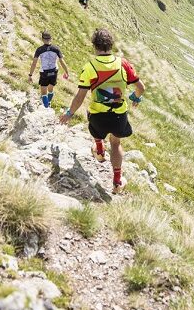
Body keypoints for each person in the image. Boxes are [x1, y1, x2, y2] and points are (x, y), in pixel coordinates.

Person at [61, 28, 146, 194]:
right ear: (111, 45)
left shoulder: (90, 67)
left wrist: (69, 114)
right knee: (116, 143)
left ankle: (99, 150)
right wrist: (135, 98)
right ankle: (117, 182)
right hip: (119, 115)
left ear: (94, 46)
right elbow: (141, 88)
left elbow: (80, 96)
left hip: (98, 116)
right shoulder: (123, 64)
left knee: (92, 117)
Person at [27, 31, 70, 108]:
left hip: (44, 72)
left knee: (44, 92)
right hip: (54, 71)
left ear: (42, 39)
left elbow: (34, 63)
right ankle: (49, 102)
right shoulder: (56, 48)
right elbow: (62, 61)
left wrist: (30, 75)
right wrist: (67, 72)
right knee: (51, 88)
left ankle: (46, 106)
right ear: (51, 38)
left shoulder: (39, 50)